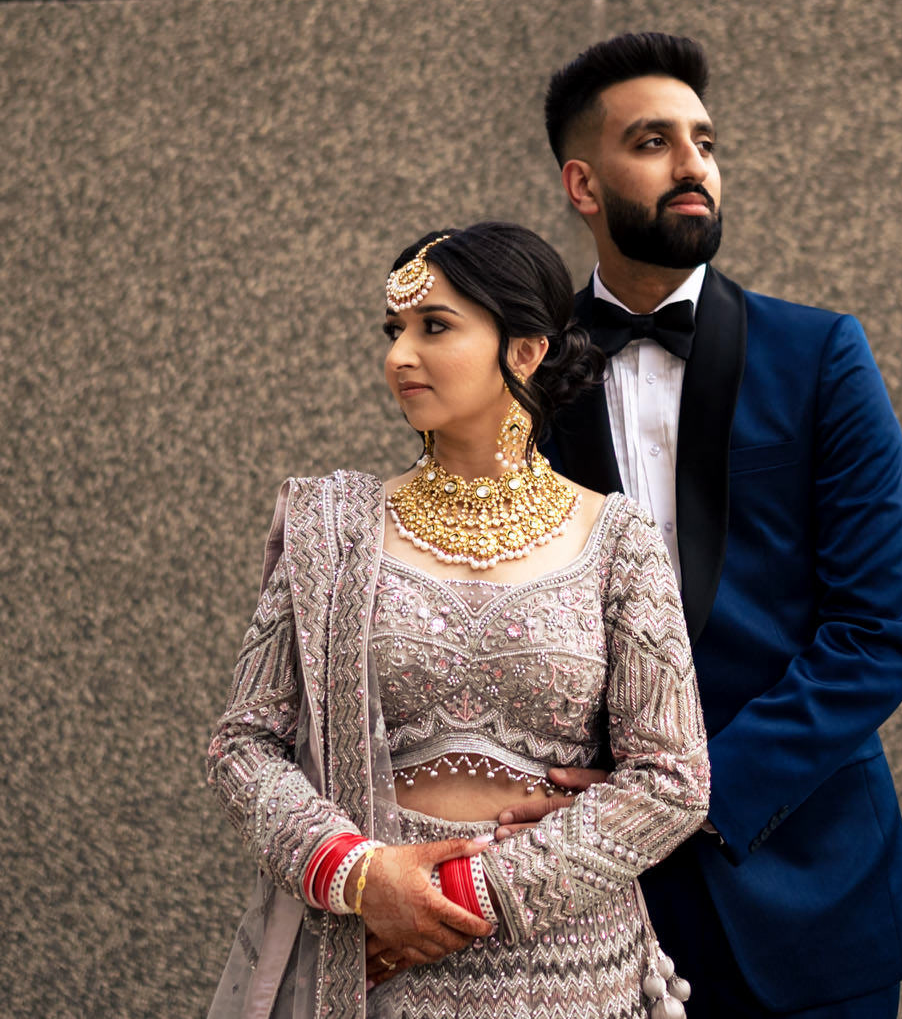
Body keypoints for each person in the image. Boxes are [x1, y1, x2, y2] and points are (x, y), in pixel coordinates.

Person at [489, 32, 902, 1018]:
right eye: (652, 142)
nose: (693, 165)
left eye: (705, 140)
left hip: (804, 892)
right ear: (583, 184)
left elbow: (877, 634)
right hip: (583, 908)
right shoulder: (517, 374)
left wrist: (687, 797)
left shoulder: (821, 356)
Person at [204, 221, 712, 1019]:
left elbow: (675, 778)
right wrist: (362, 874)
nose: (400, 355)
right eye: (394, 330)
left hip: (570, 966)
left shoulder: (619, 542)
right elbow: (243, 744)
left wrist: (465, 891)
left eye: (434, 327)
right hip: (374, 960)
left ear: (525, 349)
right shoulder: (336, 528)